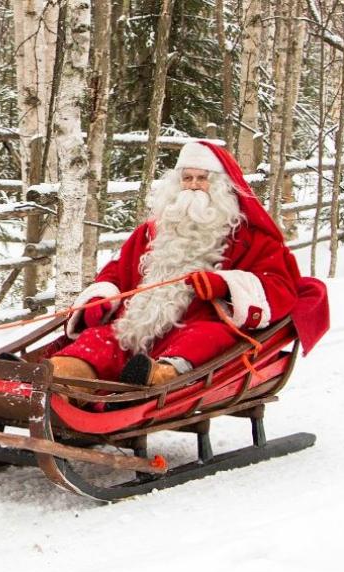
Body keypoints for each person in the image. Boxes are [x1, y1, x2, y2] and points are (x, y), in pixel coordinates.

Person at [49, 141, 327, 387]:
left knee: (205, 338)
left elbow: (278, 284)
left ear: (221, 185)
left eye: (202, 179)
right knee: (99, 339)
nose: (193, 185)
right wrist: (101, 298)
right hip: (137, 325)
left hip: (202, 324)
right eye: (187, 178)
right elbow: (117, 272)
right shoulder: (150, 232)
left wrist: (225, 285)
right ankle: (58, 376)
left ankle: (161, 376)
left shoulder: (251, 238)